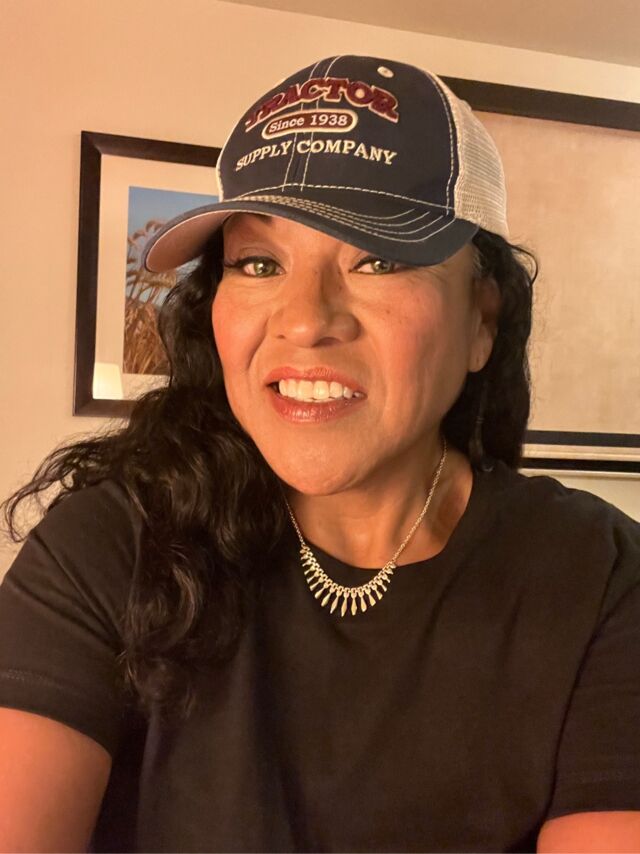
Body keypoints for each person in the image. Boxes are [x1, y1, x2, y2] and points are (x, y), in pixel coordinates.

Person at [0, 54, 639, 853]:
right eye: (259, 263)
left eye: (378, 259)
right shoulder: (111, 545)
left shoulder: (599, 578)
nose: (304, 320)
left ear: (482, 320)